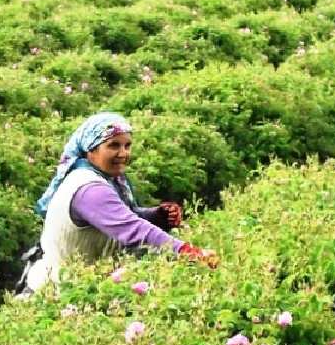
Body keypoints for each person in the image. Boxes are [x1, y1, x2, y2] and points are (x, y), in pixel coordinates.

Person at [18, 112, 217, 298]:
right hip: (57, 294)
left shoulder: (102, 178)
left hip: (75, 287)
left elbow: (120, 217)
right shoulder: (89, 189)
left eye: (127, 146)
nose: (123, 153)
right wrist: (189, 253)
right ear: (91, 149)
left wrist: (156, 216)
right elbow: (134, 230)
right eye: (113, 145)